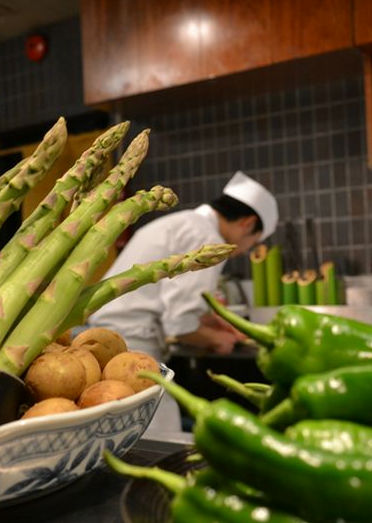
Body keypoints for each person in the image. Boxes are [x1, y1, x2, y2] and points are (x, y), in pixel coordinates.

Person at [87, 171, 279, 434]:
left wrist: (209, 321)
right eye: (252, 242)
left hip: (104, 338)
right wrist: (216, 340)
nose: (244, 251)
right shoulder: (207, 238)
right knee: (159, 428)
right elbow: (180, 325)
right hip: (131, 347)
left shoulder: (180, 223)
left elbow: (171, 303)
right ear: (247, 223)